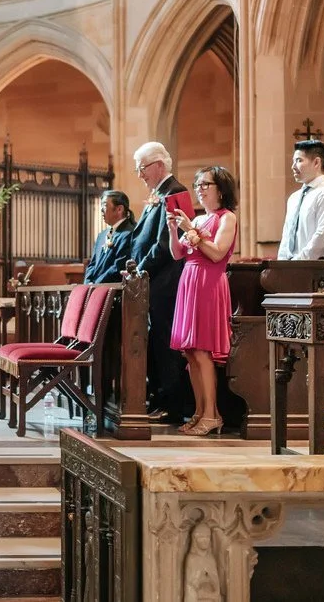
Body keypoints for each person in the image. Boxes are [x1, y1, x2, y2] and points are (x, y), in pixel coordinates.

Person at [167, 166, 238, 436]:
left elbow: (218, 254)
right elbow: (177, 254)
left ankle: (212, 414)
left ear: (221, 188)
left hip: (209, 283)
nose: (199, 189)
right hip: (190, 282)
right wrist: (174, 230)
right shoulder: (198, 219)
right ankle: (200, 411)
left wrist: (191, 231)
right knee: (190, 351)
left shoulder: (226, 217)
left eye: (205, 184)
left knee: (202, 351)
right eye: (197, 184)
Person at [129, 141, 189, 424]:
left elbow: (165, 245)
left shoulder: (174, 192)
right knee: (155, 342)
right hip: (153, 282)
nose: (140, 175)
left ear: (159, 166)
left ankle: (172, 403)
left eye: (142, 168)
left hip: (166, 282)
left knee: (166, 343)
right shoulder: (159, 192)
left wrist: (140, 269)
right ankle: (158, 398)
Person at [277, 139, 324, 260]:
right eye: (293, 161)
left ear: (316, 162)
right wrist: (282, 263)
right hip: (290, 267)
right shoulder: (294, 198)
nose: (293, 167)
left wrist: (300, 260)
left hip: (314, 266)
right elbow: (287, 234)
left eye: (299, 160)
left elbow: (323, 234)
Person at [84, 190, 135, 284]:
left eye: (105, 205)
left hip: (112, 290)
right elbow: (92, 264)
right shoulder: (101, 235)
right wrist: (87, 283)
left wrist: (96, 285)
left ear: (119, 209)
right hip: (94, 289)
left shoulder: (130, 233)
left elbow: (118, 267)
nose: (101, 209)